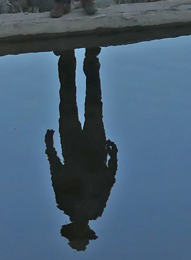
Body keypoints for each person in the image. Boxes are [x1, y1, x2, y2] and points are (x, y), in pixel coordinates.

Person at [46, 48, 118, 251]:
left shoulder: (66, 204)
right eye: (82, 232)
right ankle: (90, 59)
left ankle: (69, 56)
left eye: (78, 232)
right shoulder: (95, 209)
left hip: (72, 147)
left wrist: (49, 148)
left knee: (69, 101)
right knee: (93, 103)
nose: (80, 227)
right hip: (94, 148)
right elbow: (109, 179)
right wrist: (113, 157)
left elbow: (56, 173)